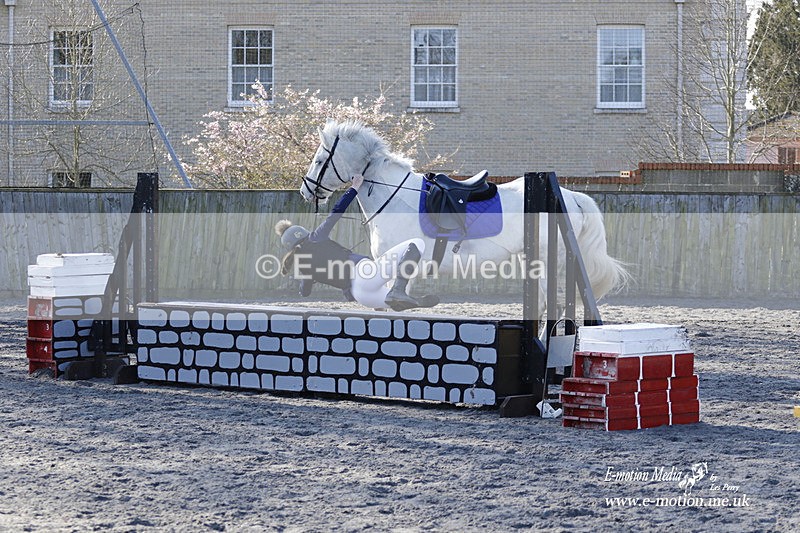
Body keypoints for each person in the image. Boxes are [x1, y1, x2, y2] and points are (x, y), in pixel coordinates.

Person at [275, 175, 438, 311]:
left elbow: (305, 292)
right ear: (303, 233)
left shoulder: (304, 268)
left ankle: (406, 300)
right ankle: (399, 289)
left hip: (362, 296)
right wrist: (354, 188)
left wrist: (313, 277)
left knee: (393, 304)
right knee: (416, 243)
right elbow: (336, 212)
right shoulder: (315, 237)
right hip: (365, 273)